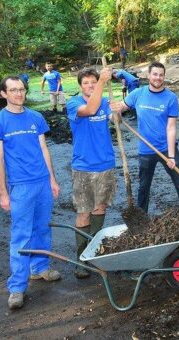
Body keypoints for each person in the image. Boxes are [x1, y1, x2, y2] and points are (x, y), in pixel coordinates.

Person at [0, 76, 61, 309]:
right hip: (20, 186)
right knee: (21, 235)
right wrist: (3, 193)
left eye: (21, 89)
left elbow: (43, 148)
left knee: (42, 227)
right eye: (13, 90)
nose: (19, 93)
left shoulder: (35, 118)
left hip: (42, 184)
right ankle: (17, 286)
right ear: (4, 94)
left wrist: (52, 179)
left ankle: (39, 268)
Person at [110, 61, 179, 213]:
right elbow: (121, 108)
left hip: (166, 148)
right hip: (145, 150)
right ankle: (142, 218)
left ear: (164, 77)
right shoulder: (138, 94)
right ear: (148, 75)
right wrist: (116, 111)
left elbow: (171, 127)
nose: (158, 78)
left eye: (161, 75)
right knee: (143, 187)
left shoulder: (171, 98)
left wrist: (171, 156)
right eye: (155, 74)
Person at [66, 67, 117, 278]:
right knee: (84, 211)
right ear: (80, 86)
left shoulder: (105, 103)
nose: (90, 86)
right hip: (84, 167)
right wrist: (103, 82)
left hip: (106, 163)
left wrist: (117, 113)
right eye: (86, 83)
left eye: (93, 82)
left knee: (100, 208)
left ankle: (95, 254)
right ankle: (81, 259)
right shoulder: (73, 103)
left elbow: (115, 121)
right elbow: (90, 109)